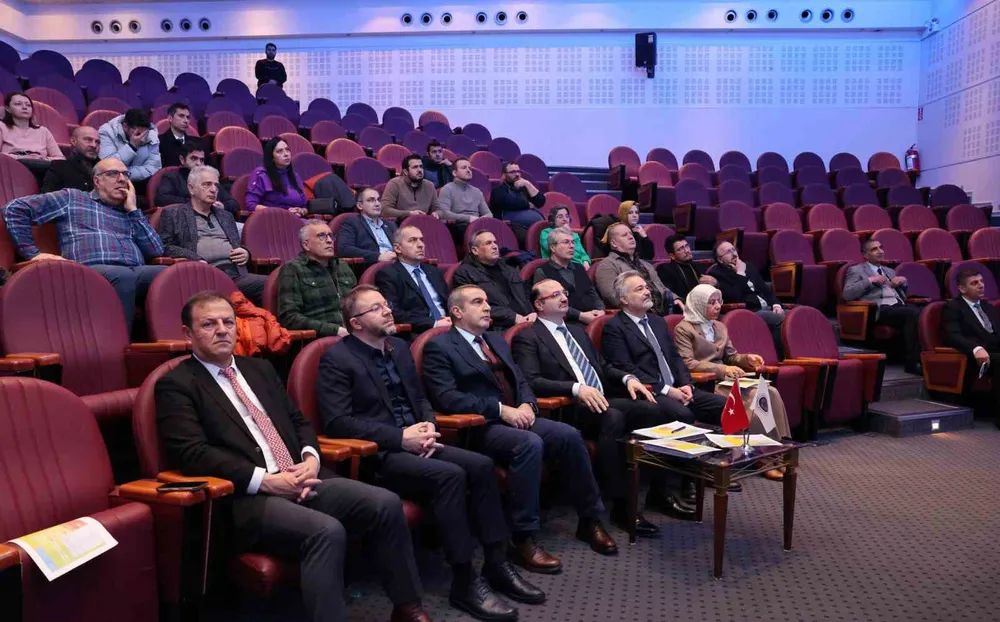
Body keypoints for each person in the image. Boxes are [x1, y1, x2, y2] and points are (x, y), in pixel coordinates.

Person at [154, 292, 430, 622]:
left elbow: (298, 421)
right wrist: (266, 481)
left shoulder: (259, 369)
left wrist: (311, 458)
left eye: (228, 322)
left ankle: (408, 608)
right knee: (325, 530)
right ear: (188, 333)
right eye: (209, 324)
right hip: (246, 496)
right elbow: (192, 453)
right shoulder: (176, 384)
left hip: (302, 474)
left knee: (385, 503)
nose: (222, 330)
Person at [317, 285, 539, 621]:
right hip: (377, 455)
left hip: (420, 441)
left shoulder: (399, 348)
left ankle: (496, 563)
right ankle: (464, 580)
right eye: (376, 308)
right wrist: (400, 438)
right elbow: (337, 422)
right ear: (356, 323)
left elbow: (420, 399)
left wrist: (429, 427)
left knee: (480, 466)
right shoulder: (337, 358)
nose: (387, 310)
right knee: (450, 475)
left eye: (386, 304)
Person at [422, 285, 619, 574]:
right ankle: (522, 537)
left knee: (568, 435)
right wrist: (501, 410)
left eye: (487, 301)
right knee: (528, 443)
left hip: (518, 415)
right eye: (477, 302)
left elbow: (521, 379)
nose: (487, 307)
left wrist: (528, 404)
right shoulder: (439, 346)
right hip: (479, 426)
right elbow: (447, 398)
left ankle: (589, 520)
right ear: (457, 312)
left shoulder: (495, 340)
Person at [512, 278, 697, 534]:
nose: (564, 297)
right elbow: (532, 380)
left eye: (564, 292)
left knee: (660, 410)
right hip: (569, 407)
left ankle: (659, 491)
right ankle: (621, 506)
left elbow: (602, 366)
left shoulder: (577, 331)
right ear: (539, 304)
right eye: (554, 295)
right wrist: (575, 388)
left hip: (603, 398)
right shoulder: (528, 337)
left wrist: (628, 378)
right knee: (613, 417)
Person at [2, 158, 165, 333]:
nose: (122, 179)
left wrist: (133, 210)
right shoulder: (73, 198)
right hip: (87, 271)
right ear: (97, 181)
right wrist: (32, 253)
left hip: (134, 271)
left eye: (126, 174)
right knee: (122, 276)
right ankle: (118, 342)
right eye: (113, 174)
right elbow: (15, 208)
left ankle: (175, 341)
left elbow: (155, 250)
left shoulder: (130, 212)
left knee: (169, 274)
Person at [673, 285, 792, 451]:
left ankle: (778, 445)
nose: (717, 306)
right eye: (711, 303)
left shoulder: (719, 326)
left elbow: (730, 357)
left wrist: (747, 359)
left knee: (770, 391)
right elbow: (687, 363)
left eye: (719, 301)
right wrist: (723, 370)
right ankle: (756, 450)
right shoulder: (683, 329)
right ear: (698, 304)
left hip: (728, 380)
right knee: (755, 397)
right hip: (707, 383)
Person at [601, 272, 726, 427]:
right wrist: (668, 390)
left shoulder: (657, 322)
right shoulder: (614, 327)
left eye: (647, 287)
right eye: (639, 289)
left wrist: (686, 384)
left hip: (679, 388)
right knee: (683, 414)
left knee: (725, 406)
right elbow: (626, 368)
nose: (647, 292)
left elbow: (675, 357)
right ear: (624, 299)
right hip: (652, 391)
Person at [157, 165, 266, 304]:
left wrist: (246, 253)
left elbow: (236, 245)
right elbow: (165, 246)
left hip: (235, 274)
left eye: (216, 185)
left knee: (274, 283)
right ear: (191, 188)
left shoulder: (226, 216)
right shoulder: (174, 214)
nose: (214, 190)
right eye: (207, 184)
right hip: (204, 277)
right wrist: (194, 258)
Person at [843, 238, 922, 374]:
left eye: (881, 248)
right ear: (865, 255)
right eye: (874, 249)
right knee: (913, 314)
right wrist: (869, 280)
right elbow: (847, 294)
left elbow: (901, 295)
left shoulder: (889, 271)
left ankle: (923, 359)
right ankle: (911, 363)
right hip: (879, 309)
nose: (880, 251)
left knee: (924, 313)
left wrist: (902, 283)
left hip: (898, 306)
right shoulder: (856, 270)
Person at [277, 221, 357, 337]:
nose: (329, 240)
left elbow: (358, 304)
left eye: (330, 236)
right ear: (306, 245)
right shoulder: (293, 269)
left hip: (353, 333)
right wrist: (334, 330)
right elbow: (289, 317)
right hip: (320, 338)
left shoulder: (342, 266)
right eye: (322, 236)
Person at [942, 267, 1000, 424]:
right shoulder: (953, 307)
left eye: (981, 281)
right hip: (972, 357)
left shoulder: (988, 307)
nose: (981, 285)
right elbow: (953, 336)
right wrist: (976, 348)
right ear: (962, 288)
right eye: (974, 283)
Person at [710, 240, 784, 355]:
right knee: (781, 319)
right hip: (750, 311)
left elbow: (765, 290)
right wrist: (740, 274)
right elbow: (735, 297)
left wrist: (776, 304)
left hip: (768, 308)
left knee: (798, 314)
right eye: (728, 252)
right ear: (720, 259)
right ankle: (781, 356)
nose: (734, 254)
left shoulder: (749, 266)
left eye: (734, 250)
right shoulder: (718, 274)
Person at [375, 226, 452, 335]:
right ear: (398, 248)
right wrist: (434, 324)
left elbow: (448, 302)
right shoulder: (388, 275)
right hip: (419, 333)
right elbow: (395, 312)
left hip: (449, 327)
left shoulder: (434, 271)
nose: (421, 245)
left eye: (422, 240)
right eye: (412, 240)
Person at [453, 231, 534, 332]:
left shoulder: (509, 269)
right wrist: (513, 317)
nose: (495, 246)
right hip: (498, 327)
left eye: (495, 242)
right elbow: (473, 306)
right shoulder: (464, 273)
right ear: (475, 250)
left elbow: (526, 296)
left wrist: (532, 313)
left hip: (527, 322)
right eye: (488, 243)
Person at [595, 223, 676, 314]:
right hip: (636, 314)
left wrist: (676, 299)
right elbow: (612, 296)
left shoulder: (646, 265)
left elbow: (662, 288)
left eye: (631, 234)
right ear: (613, 243)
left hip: (661, 312)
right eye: (624, 235)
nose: (630, 237)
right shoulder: (607, 265)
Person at [532, 227, 604, 325]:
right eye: (566, 242)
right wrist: (580, 315)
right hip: (565, 323)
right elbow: (548, 305)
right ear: (552, 248)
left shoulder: (579, 267)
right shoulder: (542, 271)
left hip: (593, 318)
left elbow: (592, 293)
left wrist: (601, 310)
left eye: (573, 242)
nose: (572, 246)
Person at [154, 140, 240, 215]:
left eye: (201, 160)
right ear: (182, 160)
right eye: (194, 158)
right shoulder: (172, 177)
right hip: (183, 219)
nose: (198, 163)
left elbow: (234, 204)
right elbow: (162, 199)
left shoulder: (210, 179)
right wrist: (196, 202)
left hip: (214, 219)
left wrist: (223, 206)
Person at [334, 186, 397, 265]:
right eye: (371, 200)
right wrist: (377, 256)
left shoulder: (390, 224)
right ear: (360, 205)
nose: (377, 204)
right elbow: (344, 248)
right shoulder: (351, 223)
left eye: (378, 200)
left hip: (397, 264)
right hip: (372, 265)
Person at [245, 137, 307, 215]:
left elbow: (305, 206)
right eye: (279, 151)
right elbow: (251, 205)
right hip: (272, 219)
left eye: (287, 150)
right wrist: (283, 213)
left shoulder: (295, 176)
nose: (286, 154)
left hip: (297, 218)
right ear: (271, 157)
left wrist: (301, 211)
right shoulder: (261, 174)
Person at [97, 108, 161, 184]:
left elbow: (154, 168)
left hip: (141, 183)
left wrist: (125, 174)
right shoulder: (106, 132)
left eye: (145, 134)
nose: (142, 139)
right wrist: (132, 146)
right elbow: (107, 166)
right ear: (125, 126)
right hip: (111, 183)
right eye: (138, 133)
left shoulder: (151, 134)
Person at [0, 92, 63, 162]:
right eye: (18, 104)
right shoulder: (1, 127)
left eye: (28, 105)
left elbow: (60, 158)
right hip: (12, 164)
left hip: (41, 165)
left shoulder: (43, 131)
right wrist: (21, 157)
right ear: (8, 109)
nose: (24, 107)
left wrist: (42, 160)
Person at [657, 234, 716, 301]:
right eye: (681, 249)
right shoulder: (666, 270)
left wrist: (715, 283)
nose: (687, 251)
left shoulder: (699, 266)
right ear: (672, 256)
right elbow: (670, 296)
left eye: (687, 246)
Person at [437, 156, 492, 229]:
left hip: (477, 225)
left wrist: (480, 220)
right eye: (464, 168)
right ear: (454, 173)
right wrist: (468, 218)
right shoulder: (447, 189)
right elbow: (443, 213)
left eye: (470, 168)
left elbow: (488, 214)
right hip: (458, 226)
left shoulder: (477, 191)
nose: (468, 170)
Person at [40, 126, 99, 193]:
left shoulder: (105, 169)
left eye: (97, 142)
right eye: (88, 140)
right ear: (73, 141)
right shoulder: (59, 167)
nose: (94, 145)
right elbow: (48, 196)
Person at [381, 154, 440, 221]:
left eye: (421, 166)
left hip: (424, 223)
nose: (420, 170)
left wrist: (436, 213)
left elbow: (437, 208)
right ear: (405, 172)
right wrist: (409, 214)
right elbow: (384, 210)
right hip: (401, 224)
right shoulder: (395, 184)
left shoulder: (429, 185)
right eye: (415, 167)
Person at [489, 162, 544, 230]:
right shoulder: (497, 190)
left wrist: (528, 184)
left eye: (518, 171)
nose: (517, 174)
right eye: (512, 172)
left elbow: (540, 201)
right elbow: (511, 202)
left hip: (532, 226)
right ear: (504, 175)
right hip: (510, 227)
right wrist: (528, 205)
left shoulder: (524, 188)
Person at [157, 102, 192, 171]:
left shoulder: (197, 142)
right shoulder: (159, 142)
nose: (186, 121)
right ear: (170, 118)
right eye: (181, 116)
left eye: (188, 117)